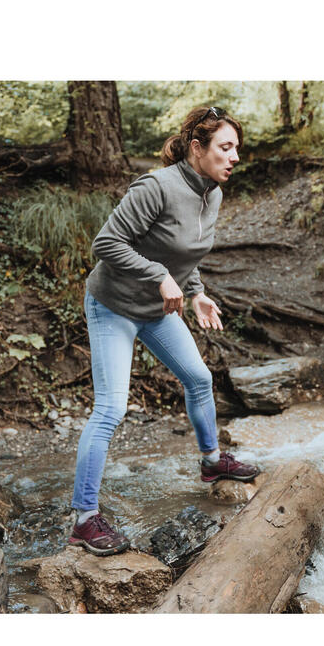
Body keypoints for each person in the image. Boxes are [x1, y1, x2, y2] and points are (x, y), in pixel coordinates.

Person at [69, 106, 260, 556]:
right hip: (112, 306)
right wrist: (158, 274)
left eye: (237, 149)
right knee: (111, 408)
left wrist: (195, 291)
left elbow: (183, 254)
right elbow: (106, 243)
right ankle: (83, 518)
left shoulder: (213, 193)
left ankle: (213, 463)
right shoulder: (157, 187)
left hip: (158, 309)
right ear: (198, 148)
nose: (234, 158)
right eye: (225, 148)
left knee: (199, 378)